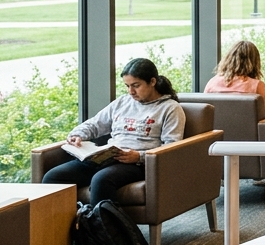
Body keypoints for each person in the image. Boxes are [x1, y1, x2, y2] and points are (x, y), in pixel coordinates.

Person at [44, 58, 185, 205]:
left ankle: (103, 228)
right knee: (53, 177)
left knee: (101, 180)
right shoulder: (122, 102)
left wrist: (139, 157)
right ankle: (63, 227)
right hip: (107, 157)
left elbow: (171, 147)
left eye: (136, 86)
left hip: (137, 164)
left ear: (152, 81)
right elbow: (95, 124)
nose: (131, 91)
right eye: (127, 86)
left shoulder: (170, 108)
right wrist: (77, 134)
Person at [205, 39, 265, 115]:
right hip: (248, 127)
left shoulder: (212, 83)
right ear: (255, 62)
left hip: (217, 126)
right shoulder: (257, 86)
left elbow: (205, 111)